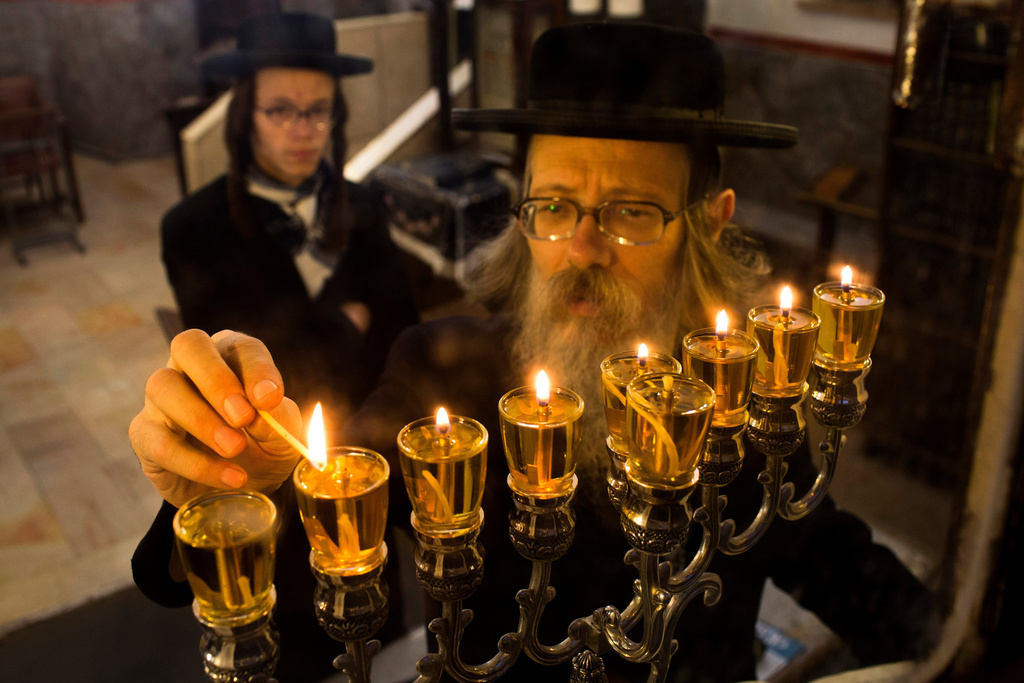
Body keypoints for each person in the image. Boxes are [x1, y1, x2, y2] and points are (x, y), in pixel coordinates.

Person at [131, 22, 936, 682]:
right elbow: (328, 485)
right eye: (553, 206)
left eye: (629, 211)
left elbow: (842, 564)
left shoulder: (745, 397)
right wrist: (238, 476)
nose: (580, 248)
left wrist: (959, 640)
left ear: (711, 220)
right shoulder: (444, 369)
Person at [161, 11, 418, 422]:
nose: (303, 131)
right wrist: (349, 323)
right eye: (280, 110)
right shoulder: (191, 229)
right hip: (272, 445)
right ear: (246, 116)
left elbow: (403, 332)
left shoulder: (362, 203)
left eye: (319, 110)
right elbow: (239, 369)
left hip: (371, 430)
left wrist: (304, 336)